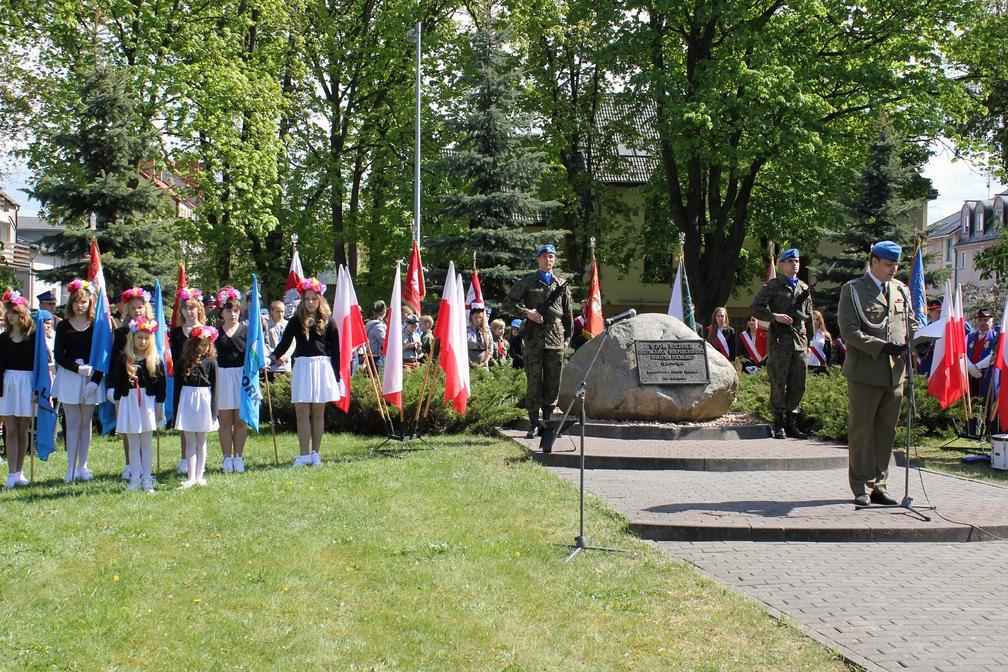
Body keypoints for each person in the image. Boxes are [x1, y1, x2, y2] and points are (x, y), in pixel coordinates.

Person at [837, 240, 917, 507]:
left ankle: (879, 485)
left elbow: (911, 322)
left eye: (895, 264)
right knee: (862, 431)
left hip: (895, 374)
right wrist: (883, 347)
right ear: (873, 262)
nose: (893, 269)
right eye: (888, 264)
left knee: (886, 432)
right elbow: (849, 331)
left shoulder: (901, 291)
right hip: (865, 373)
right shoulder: (854, 290)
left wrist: (920, 340)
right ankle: (859, 485)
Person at [503, 243, 573, 441]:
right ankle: (534, 423)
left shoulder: (561, 283)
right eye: (544, 256)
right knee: (534, 382)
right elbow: (507, 304)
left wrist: (567, 338)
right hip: (533, 339)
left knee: (553, 382)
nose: (548, 260)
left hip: (556, 339)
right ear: (538, 259)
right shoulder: (527, 281)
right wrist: (528, 313)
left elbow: (567, 315)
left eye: (551, 257)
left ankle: (548, 424)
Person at [269, 277, 340, 467]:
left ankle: (316, 453)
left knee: (318, 413)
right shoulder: (295, 321)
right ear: (303, 299)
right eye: (307, 299)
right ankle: (303, 454)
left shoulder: (329, 322)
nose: (310, 302)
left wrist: (338, 376)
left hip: (321, 367)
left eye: (313, 299)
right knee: (301, 412)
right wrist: (272, 358)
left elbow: (336, 351)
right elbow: (284, 344)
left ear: (319, 300)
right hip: (302, 367)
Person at [750, 247, 812, 440]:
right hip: (779, 341)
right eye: (791, 261)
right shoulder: (773, 285)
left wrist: (804, 317)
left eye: (797, 261)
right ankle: (778, 423)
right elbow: (755, 308)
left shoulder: (803, 288)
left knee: (798, 383)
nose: (795, 264)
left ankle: (792, 422)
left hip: (799, 341)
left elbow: (809, 313)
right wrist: (774, 316)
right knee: (778, 381)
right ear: (782, 264)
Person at [108, 316, 166, 492]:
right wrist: (118, 409)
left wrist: (158, 409)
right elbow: (118, 387)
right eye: (139, 337)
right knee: (133, 443)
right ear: (133, 338)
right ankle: (134, 478)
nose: (142, 341)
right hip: (129, 402)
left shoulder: (155, 360)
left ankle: (147, 478)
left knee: (146, 443)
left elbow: (161, 387)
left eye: (146, 338)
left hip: (147, 403)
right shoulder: (124, 359)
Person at [52, 279, 99, 482]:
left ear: (90, 303)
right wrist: (77, 368)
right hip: (70, 376)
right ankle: (71, 467)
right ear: (71, 303)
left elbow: (101, 353)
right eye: (76, 302)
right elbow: (58, 354)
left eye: (84, 302)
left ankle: (83, 465)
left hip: (90, 377)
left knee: (86, 422)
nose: (80, 305)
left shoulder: (96, 325)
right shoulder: (63, 326)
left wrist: (93, 377)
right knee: (72, 423)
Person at [175, 325, 219, 488]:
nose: (204, 348)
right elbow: (178, 388)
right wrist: (176, 408)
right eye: (201, 344)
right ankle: (191, 476)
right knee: (190, 441)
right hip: (187, 400)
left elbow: (216, 388)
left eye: (207, 344)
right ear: (193, 344)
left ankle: (200, 476)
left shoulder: (211, 363)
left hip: (204, 401)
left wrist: (214, 412)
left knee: (201, 441)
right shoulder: (183, 362)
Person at [0, 291, 36, 488]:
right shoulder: (3, 338)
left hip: (26, 383)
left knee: (23, 429)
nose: (10, 315)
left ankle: (20, 472)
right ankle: (11, 473)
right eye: (8, 312)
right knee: (10, 428)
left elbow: (39, 363)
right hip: (7, 383)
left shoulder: (33, 337)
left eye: (14, 312)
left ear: (22, 314)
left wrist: (37, 388)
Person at [171, 287, 205, 474]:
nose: (189, 312)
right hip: (181, 380)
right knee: (184, 420)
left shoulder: (205, 331)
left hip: (200, 382)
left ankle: (200, 459)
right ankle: (185, 457)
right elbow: (175, 357)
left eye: (192, 308)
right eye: (185, 308)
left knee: (199, 422)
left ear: (198, 309)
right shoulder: (176, 333)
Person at [214, 287, 249, 474]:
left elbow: (253, 354)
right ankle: (227, 457)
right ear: (222, 312)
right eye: (228, 310)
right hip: (223, 377)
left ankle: (239, 456)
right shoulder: (215, 334)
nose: (232, 314)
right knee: (226, 420)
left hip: (241, 377)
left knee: (241, 420)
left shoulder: (246, 331)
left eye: (236, 310)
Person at [265, 299, 293, 380]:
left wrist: (285, 355)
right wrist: (275, 357)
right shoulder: (266, 325)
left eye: (282, 311)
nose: (280, 314)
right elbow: (265, 343)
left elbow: (293, 343)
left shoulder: (288, 325)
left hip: (285, 364)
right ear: (272, 311)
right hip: (271, 365)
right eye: (278, 311)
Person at [365, 300, 387, 372]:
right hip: (376, 358)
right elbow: (384, 342)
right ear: (383, 311)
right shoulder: (378, 326)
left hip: (370, 356)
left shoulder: (370, 323)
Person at [808, 310, 832, 374]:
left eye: (817, 319)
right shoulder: (804, 333)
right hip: (806, 365)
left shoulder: (826, 335)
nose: (815, 321)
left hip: (820, 366)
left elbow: (829, 353)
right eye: (813, 319)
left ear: (820, 321)